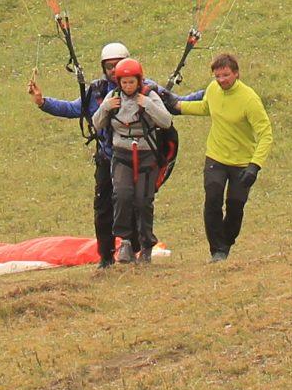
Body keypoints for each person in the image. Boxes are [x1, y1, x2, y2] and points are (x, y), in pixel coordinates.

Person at [28, 40, 139, 267]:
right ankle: (106, 257)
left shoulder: (139, 86)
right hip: (107, 157)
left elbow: (172, 102)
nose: (113, 71)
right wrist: (42, 102)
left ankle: (134, 250)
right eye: (109, 67)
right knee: (103, 207)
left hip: (132, 158)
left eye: (117, 66)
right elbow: (73, 109)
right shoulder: (97, 91)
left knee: (131, 203)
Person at [88, 59, 179, 264]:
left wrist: (147, 105)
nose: (128, 87)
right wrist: (105, 108)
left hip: (147, 156)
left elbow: (165, 121)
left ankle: (146, 245)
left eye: (131, 82)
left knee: (142, 201)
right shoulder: (112, 97)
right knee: (121, 195)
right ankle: (126, 242)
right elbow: (97, 123)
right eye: (124, 83)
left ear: (138, 81)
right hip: (122, 155)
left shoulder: (149, 96)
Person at [189, 52, 273, 262]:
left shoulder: (249, 99)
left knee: (235, 206)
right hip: (215, 157)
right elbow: (205, 107)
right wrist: (176, 107)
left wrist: (254, 166)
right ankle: (217, 250)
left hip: (242, 162)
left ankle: (225, 243)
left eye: (226, 75)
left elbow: (265, 134)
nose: (222, 80)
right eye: (217, 76)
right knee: (213, 199)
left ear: (236, 73)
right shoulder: (213, 90)